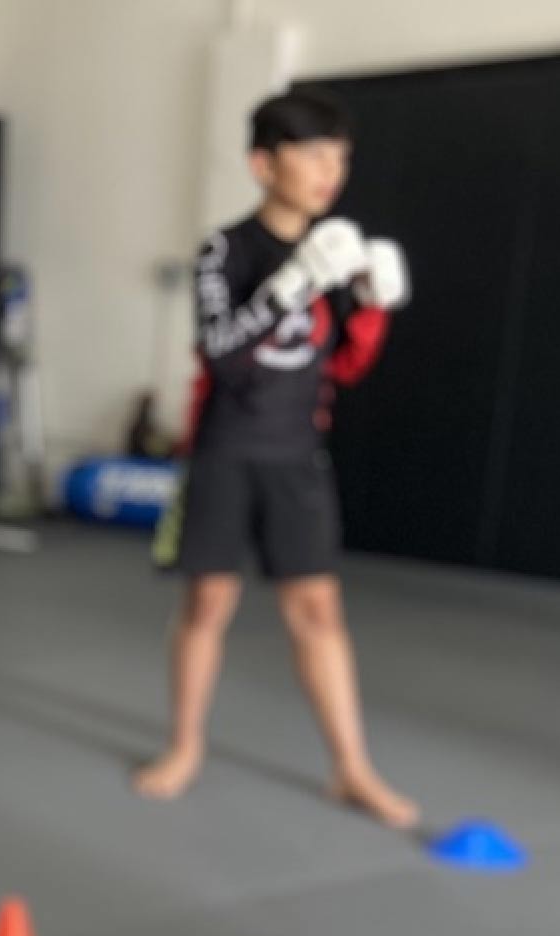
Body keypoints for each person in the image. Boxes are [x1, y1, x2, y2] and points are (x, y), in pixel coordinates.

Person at [137, 88, 418, 829]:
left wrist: (374, 308)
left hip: (298, 453)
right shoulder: (225, 251)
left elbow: (345, 368)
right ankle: (185, 746)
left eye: (341, 156)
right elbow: (222, 355)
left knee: (320, 611)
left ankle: (352, 768)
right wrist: (290, 286)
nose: (332, 170)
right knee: (206, 603)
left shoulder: (339, 253)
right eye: (314, 153)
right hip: (228, 449)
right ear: (264, 163)